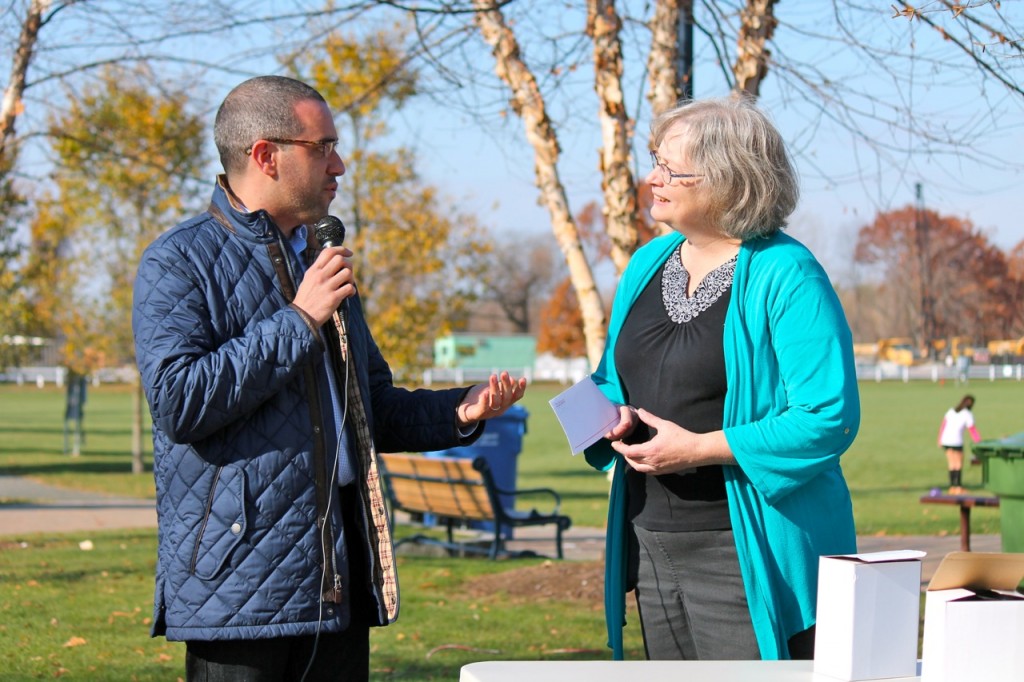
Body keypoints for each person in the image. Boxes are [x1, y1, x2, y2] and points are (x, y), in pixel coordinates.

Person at [132, 75, 527, 682]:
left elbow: (371, 407)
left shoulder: (321, 266)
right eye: (323, 148)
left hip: (337, 578)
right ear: (267, 155)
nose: (339, 165)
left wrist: (460, 412)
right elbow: (180, 403)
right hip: (239, 588)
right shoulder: (178, 260)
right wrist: (299, 319)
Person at [584, 95, 860, 662]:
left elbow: (827, 417)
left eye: (669, 168)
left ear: (730, 179)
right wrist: (596, 417)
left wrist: (699, 449)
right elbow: (613, 378)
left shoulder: (788, 273)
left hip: (745, 546)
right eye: (654, 160)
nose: (652, 179)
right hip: (650, 536)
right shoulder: (645, 263)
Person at [938, 394, 980, 494]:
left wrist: (939, 439)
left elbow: (943, 425)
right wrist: (978, 441)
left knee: (951, 464)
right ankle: (958, 487)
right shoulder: (967, 414)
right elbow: (972, 430)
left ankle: (952, 486)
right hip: (956, 441)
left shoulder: (951, 411)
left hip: (946, 440)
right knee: (958, 464)